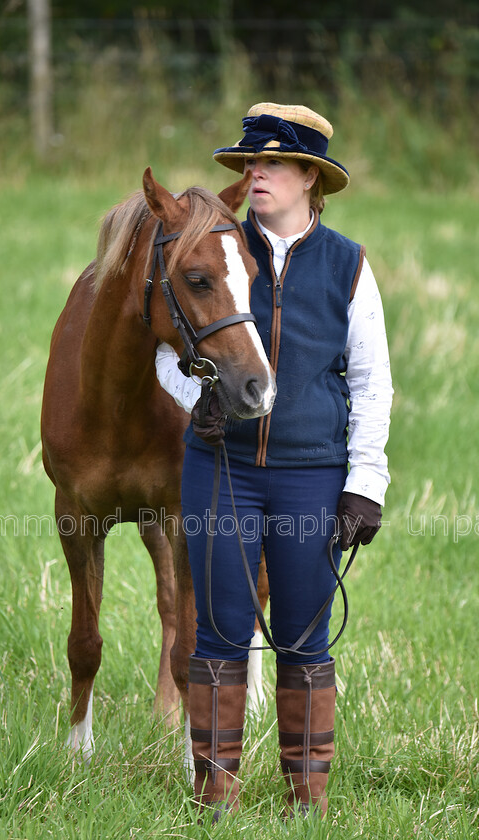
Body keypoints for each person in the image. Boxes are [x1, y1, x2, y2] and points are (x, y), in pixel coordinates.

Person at [155, 103, 393, 820]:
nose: (256, 175)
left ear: (309, 179)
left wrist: (365, 482)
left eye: (274, 164)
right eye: (249, 164)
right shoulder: (220, 249)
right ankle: (214, 801)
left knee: (302, 635)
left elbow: (373, 379)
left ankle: (305, 804)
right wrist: (192, 397)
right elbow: (167, 350)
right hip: (221, 468)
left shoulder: (348, 264)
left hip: (313, 475)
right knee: (219, 629)